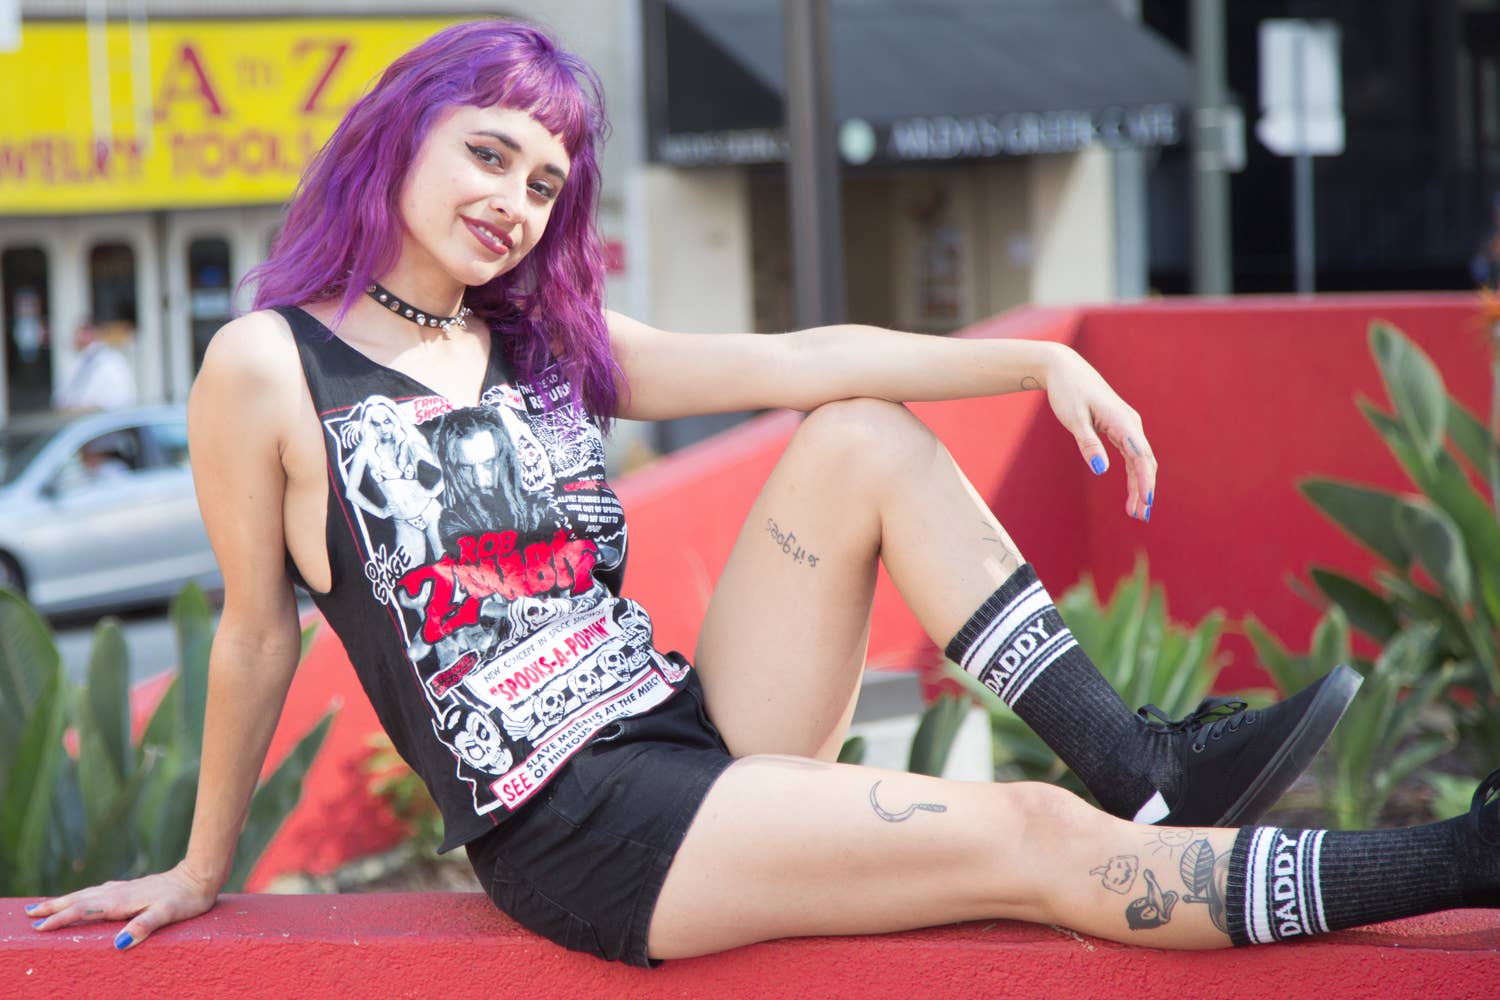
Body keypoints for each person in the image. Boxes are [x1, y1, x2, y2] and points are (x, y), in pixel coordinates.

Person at [23, 20, 1499, 966]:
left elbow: (801, 355)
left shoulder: (538, 345)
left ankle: (1139, 755)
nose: (511, 201)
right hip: (572, 818)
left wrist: (1033, 370)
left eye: (542, 184)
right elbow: (257, 634)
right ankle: (1463, 861)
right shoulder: (264, 366)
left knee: (857, 431)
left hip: (682, 720)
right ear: (399, 137)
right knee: (1028, 847)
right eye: (487, 153)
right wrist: (203, 863)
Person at [54, 316, 137, 412]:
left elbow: (122, 398)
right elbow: (61, 397)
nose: (76, 336)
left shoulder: (112, 361)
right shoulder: (78, 361)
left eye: (84, 332)